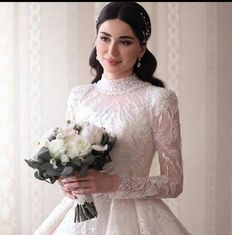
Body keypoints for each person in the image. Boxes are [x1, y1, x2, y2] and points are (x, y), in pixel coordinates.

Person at [34, 2, 191, 235]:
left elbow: (174, 182)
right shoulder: (79, 96)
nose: (111, 51)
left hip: (135, 221)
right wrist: (67, 182)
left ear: (141, 48)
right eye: (104, 38)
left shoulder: (158, 99)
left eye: (125, 42)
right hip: (79, 217)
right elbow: (68, 157)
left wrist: (113, 184)